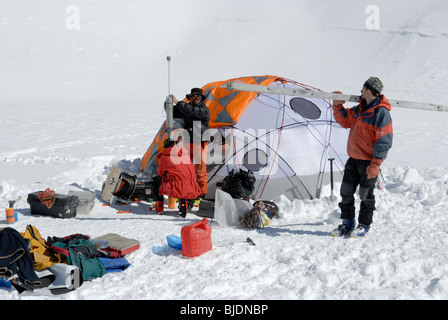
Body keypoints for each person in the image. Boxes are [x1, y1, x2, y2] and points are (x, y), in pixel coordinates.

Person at [331, 77, 393, 238]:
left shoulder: (381, 113)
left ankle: (364, 224)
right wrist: (338, 105)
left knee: (366, 195)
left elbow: (384, 141)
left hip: (369, 163)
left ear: (368, 90)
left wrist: (376, 164)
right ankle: (347, 223)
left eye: (363, 87)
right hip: (353, 160)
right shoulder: (360, 109)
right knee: (346, 192)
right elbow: (345, 121)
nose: (361, 90)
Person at [171, 88, 210, 198]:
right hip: (188, 143)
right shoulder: (186, 109)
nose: (198, 97)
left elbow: (193, 112)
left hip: (200, 144)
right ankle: (188, 192)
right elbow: (175, 112)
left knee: (200, 171)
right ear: (191, 97)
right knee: (186, 170)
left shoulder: (203, 110)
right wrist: (169, 105)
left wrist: (178, 103)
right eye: (195, 96)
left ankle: (201, 195)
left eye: (199, 96)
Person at [156, 139, 201, 218]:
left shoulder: (164, 156)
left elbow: (160, 173)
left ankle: (159, 205)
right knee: (181, 181)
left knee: (156, 181)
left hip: (175, 184)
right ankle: (183, 203)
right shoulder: (184, 154)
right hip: (191, 184)